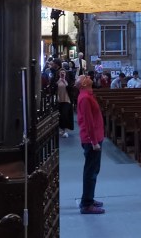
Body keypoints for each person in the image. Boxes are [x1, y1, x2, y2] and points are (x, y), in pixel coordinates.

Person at [75, 74, 105, 214]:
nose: (88, 76)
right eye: (84, 77)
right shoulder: (85, 98)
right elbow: (88, 122)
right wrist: (94, 141)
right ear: (83, 84)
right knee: (90, 172)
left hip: (95, 137)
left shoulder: (88, 95)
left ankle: (89, 198)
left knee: (93, 170)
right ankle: (86, 204)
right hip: (91, 140)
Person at [56, 69, 73, 138]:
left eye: (64, 73)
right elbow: (53, 87)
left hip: (66, 99)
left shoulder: (67, 81)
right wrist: (59, 80)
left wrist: (64, 81)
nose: (62, 74)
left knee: (65, 114)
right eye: (61, 73)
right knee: (60, 115)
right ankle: (61, 129)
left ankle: (65, 130)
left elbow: (70, 89)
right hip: (59, 100)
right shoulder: (57, 80)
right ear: (59, 74)